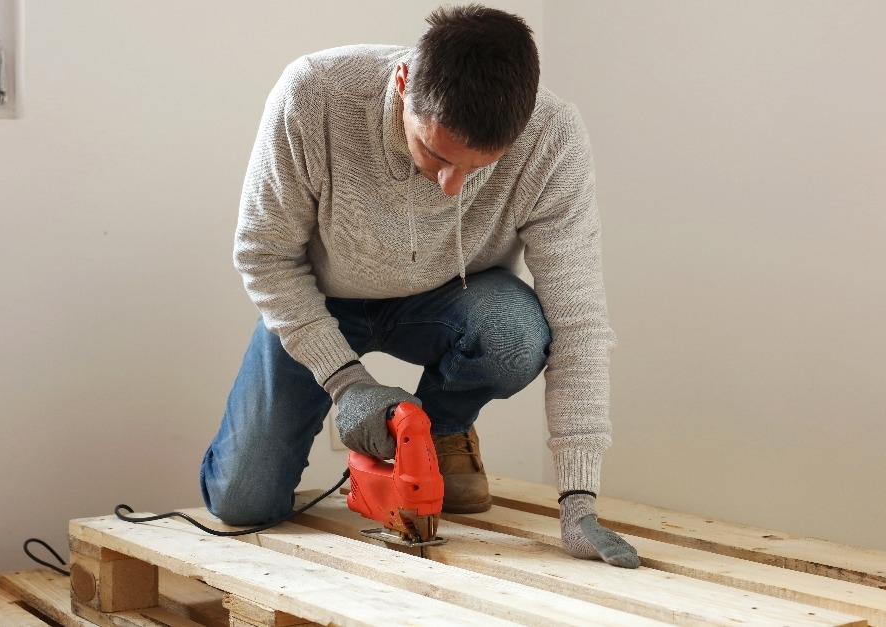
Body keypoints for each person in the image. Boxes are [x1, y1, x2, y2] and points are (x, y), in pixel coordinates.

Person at [200, 4, 639, 568]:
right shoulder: (314, 94)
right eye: (435, 154)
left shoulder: (553, 138)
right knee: (243, 503)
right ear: (404, 83)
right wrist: (346, 382)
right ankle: (398, 441)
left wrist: (578, 502)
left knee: (516, 335)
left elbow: (579, 322)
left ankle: (438, 435)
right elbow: (265, 256)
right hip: (322, 299)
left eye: (478, 166)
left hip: (453, 300)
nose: (452, 187)